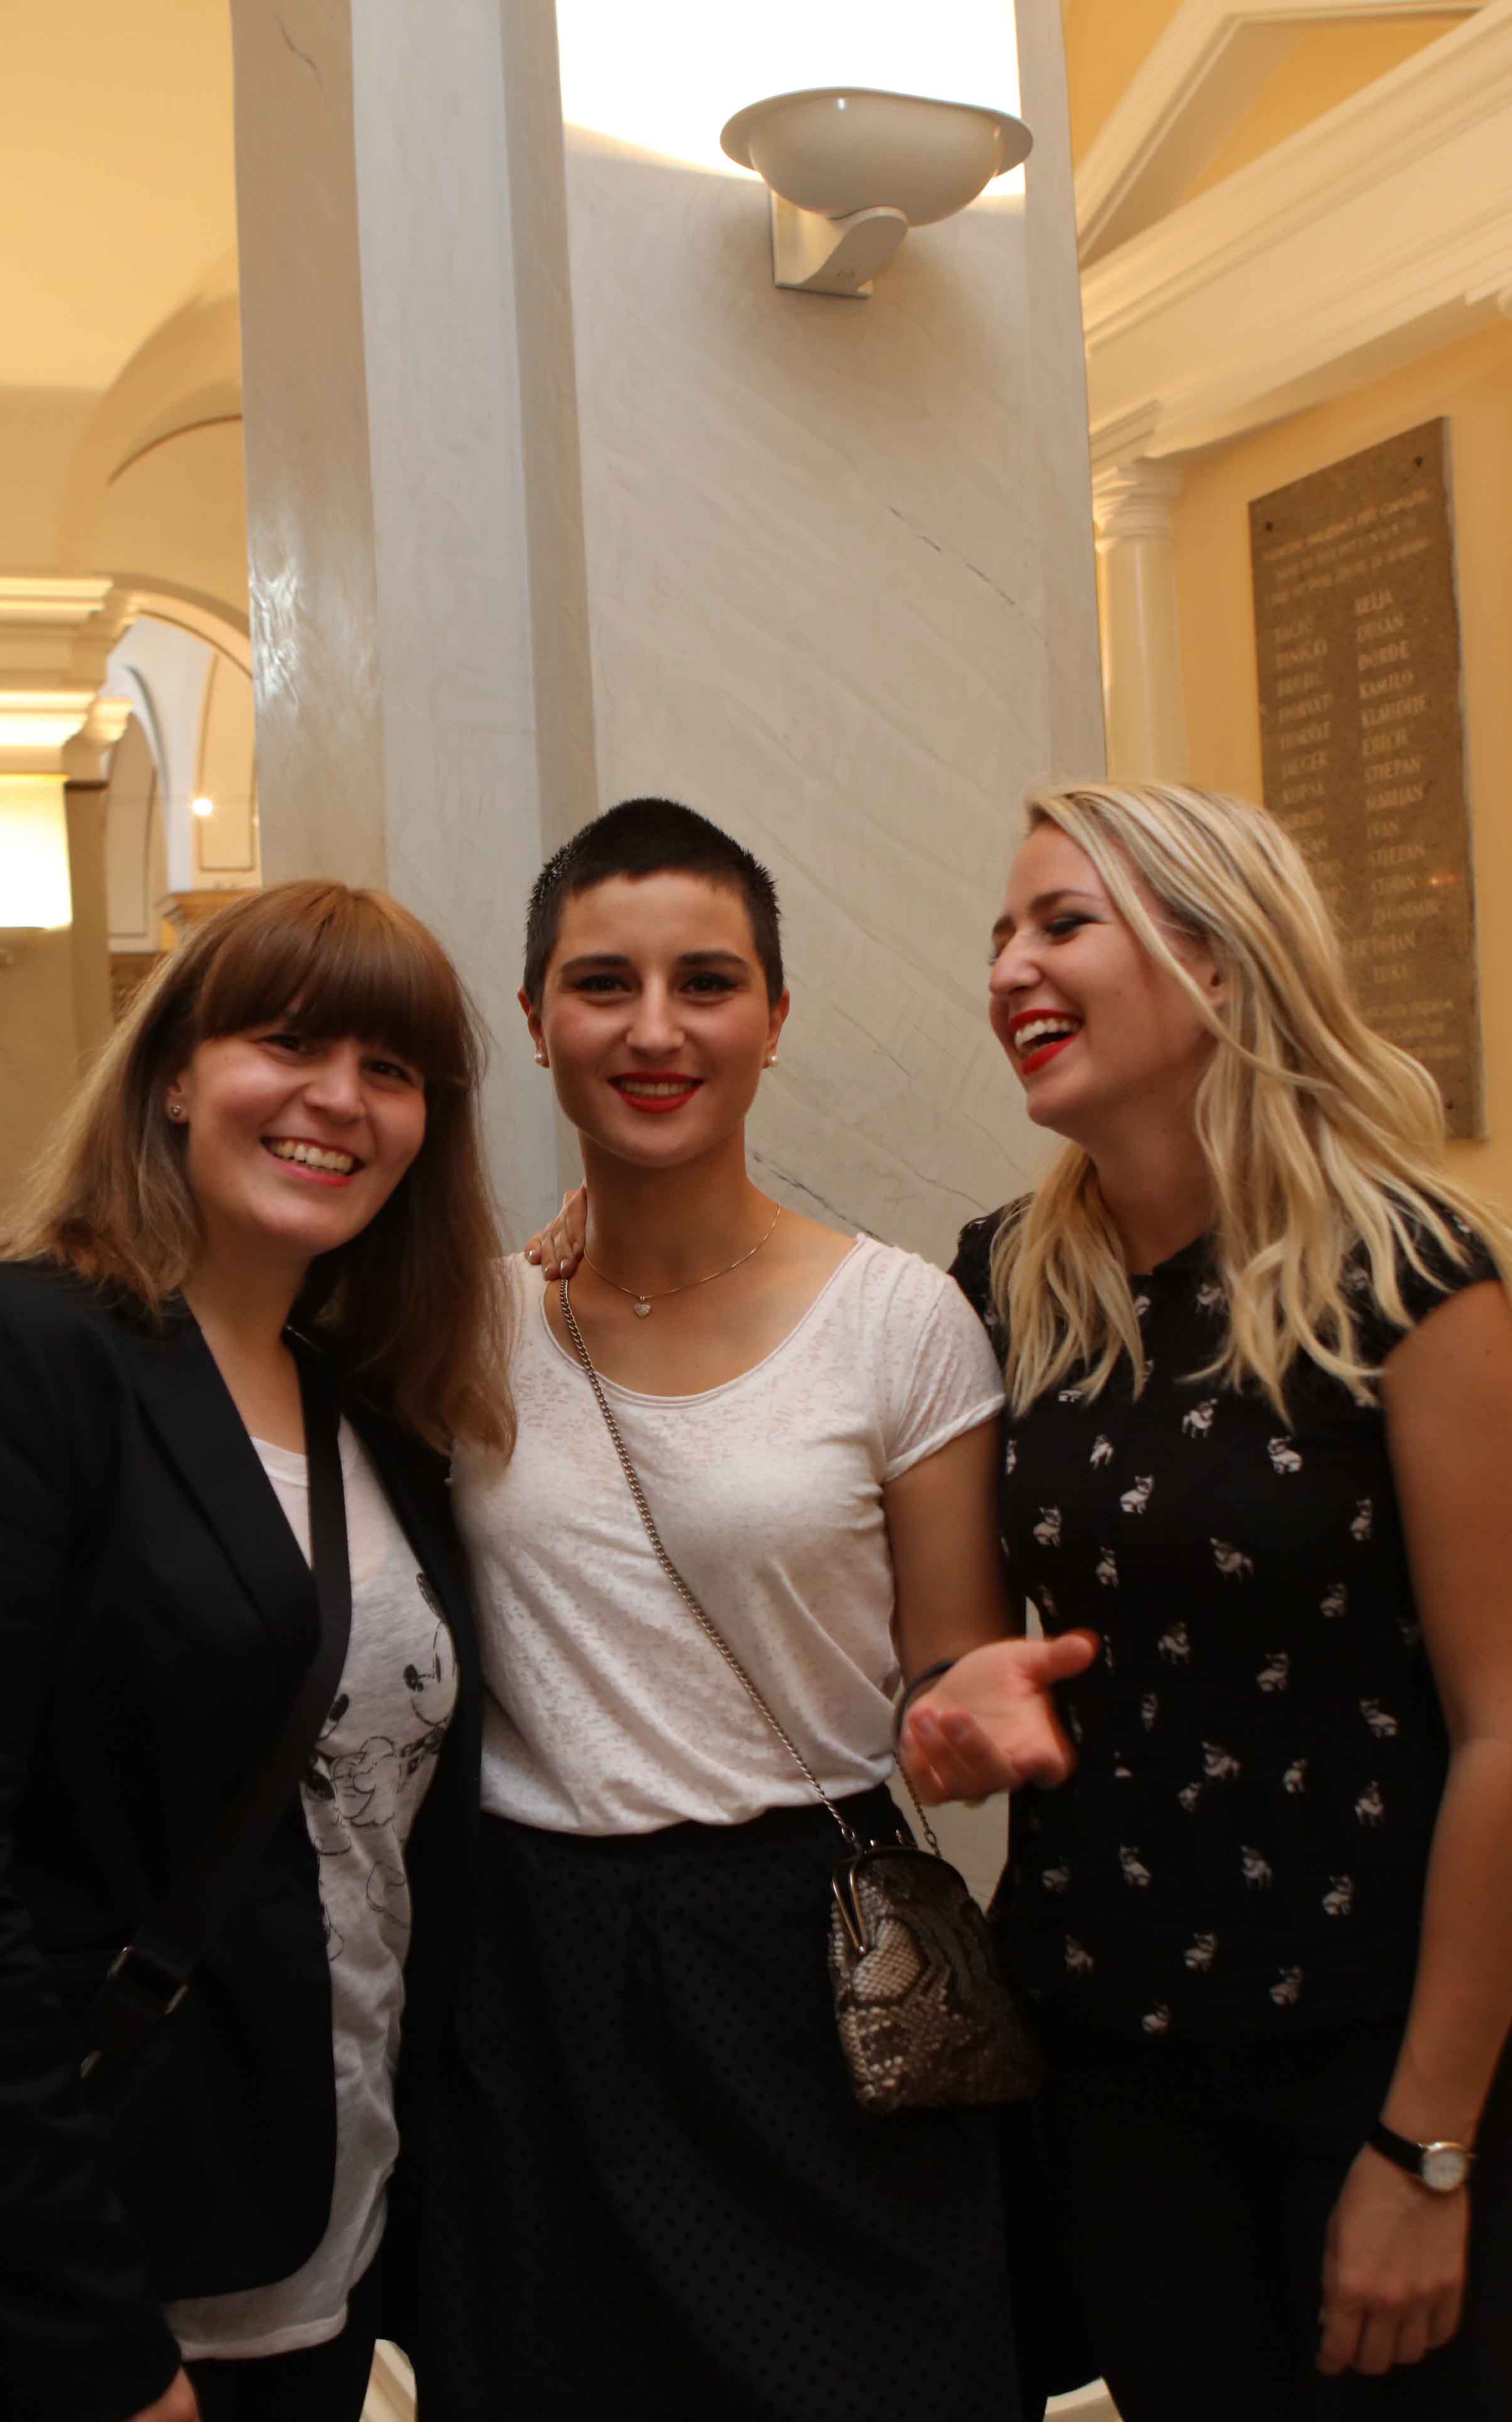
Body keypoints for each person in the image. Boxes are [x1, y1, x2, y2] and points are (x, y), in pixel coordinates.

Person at [912, 781, 1512, 2418]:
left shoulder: (1407, 1277)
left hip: (1381, 2048)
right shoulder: (1005, 1280)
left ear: (1220, 963)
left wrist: (1426, 2148)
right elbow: (959, 1645)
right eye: (999, 936)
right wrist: (951, 1709)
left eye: (1062, 924)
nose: (1009, 969)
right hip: (1114, 2058)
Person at [0, 879, 511, 2422]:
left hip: (324, 2231)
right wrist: (89, 2344)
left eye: (390, 1069)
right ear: (176, 1074)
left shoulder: (372, 1411)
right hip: (96, 2283)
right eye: (288, 1042)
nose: (339, 1098)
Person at [410, 800, 1035, 2422]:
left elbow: (948, 1655)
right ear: (535, 1017)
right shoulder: (464, 1322)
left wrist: (965, 1708)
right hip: (529, 1970)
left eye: (705, 981)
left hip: (802, 1953)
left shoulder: (898, 1320)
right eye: (601, 983)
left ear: (773, 1015)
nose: (654, 1028)